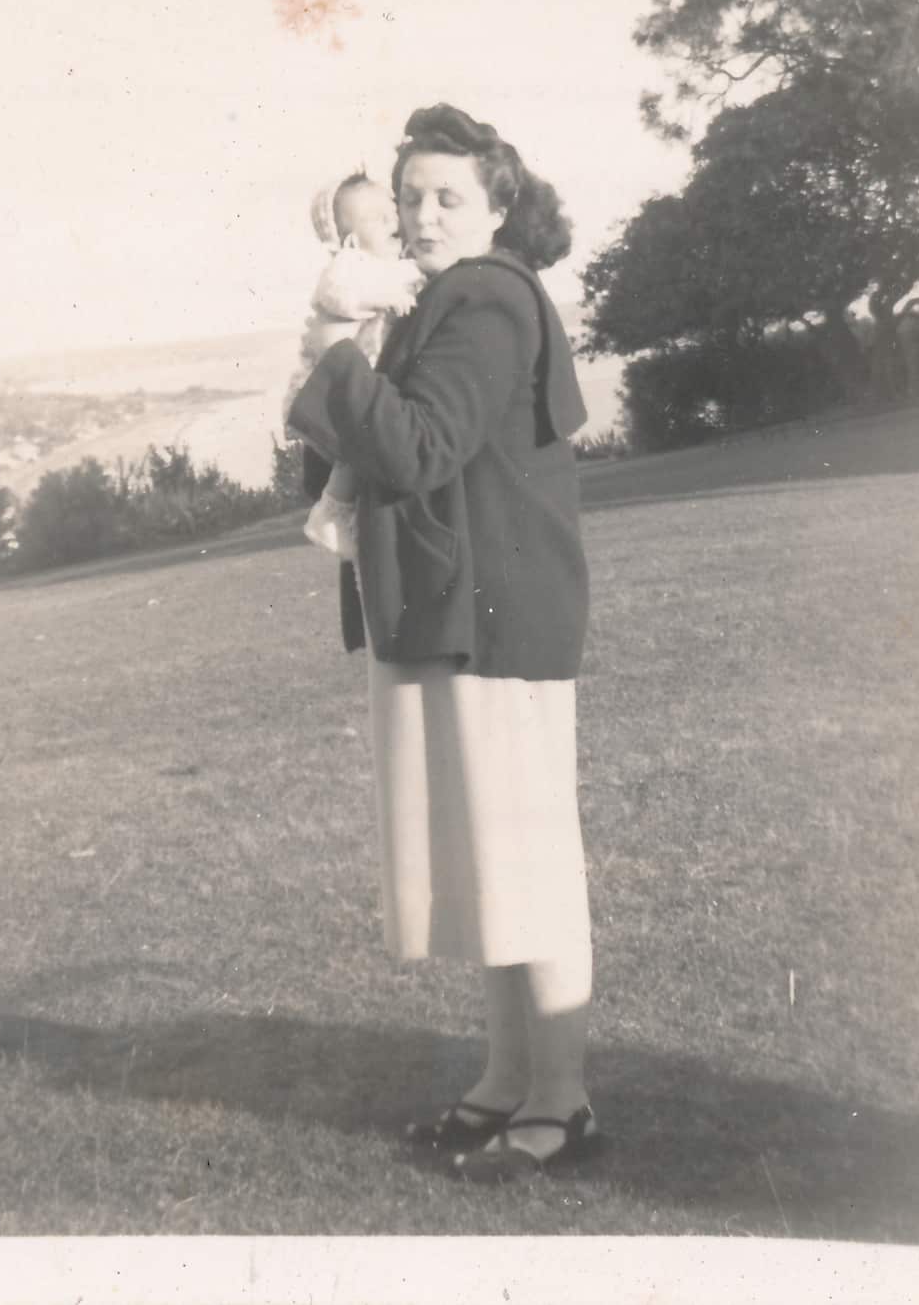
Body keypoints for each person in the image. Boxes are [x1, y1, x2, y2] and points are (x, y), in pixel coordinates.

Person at [288, 103, 601, 1183]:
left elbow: (415, 448)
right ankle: (506, 1078)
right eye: (409, 194)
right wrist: (341, 372)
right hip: (454, 606)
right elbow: (374, 442)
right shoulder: (442, 300)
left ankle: (559, 1099)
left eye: (447, 196)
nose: (421, 214)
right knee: (487, 862)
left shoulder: (486, 296)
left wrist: (331, 351)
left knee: (527, 863)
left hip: (495, 615)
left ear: (496, 206)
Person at [282, 170, 422, 558]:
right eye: (379, 219)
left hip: (359, 379)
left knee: (359, 454)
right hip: (333, 385)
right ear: (350, 240)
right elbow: (337, 294)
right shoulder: (351, 265)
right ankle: (330, 512)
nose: (393, 222)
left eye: (392, 211)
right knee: (350, 455)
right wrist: (385, 298)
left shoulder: (396, 263)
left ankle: (341, 514)